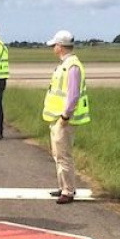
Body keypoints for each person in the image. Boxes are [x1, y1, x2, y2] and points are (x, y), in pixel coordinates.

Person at [43, 30, 91, 204]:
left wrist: (65, 117)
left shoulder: (72, 66)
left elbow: (73, 95)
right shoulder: (66, 64)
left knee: (64, 155)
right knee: (58, 154)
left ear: (61, 47)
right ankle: (64, 186)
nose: (53, 48)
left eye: (55, 45)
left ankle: (68, 191)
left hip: (63, 119)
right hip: (57, 118)